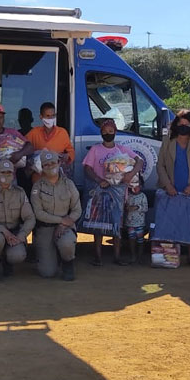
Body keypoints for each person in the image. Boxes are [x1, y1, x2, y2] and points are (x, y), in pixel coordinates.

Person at [83, 118, 143, 265]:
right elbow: (87, 168)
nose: (108, 134)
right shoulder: (95, 149)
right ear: (101, 133)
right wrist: (98, 180)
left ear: (115, 132)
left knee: (117, 223)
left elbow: (139, 161)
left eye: (110, 131)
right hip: (101, 191)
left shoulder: (121, 149)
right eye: (105, 132)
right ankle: (98, 256)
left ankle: (117, 256)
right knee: (99, 224)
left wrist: (130, 174)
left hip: (118, 192)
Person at [156, 109, 190, 268]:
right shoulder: (167, 141)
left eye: (187, 125)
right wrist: (167, 185)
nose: (184, 127)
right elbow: (160, 165)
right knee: (172, 224)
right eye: (181, 124)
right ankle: (172, 257)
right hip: (171, 191)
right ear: (175, 125)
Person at [30, 151, 81, 281]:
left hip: (66, 228)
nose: (50, 166)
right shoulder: (37, 187)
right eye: (46, 164)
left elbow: (77, 210)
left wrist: (64, 224)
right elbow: (38, 213)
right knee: (47, 272)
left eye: (53, 163)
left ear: (59, 163)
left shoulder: (69, 184)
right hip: (45, 229)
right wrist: (61, 220)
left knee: (66, 243)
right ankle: (51, 258)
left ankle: (68, 264)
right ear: (42, 167)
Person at [125, 174, 148, 264]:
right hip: (130, 223)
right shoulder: (128, 196)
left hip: (140, 223)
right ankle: (133, 255)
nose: (134, 188)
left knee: (140, 240)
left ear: (141, 186)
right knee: (131, 239)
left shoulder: (143, 196)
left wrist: (137, 207)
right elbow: (125, 206)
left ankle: (140, 256)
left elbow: (145, 208)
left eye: (137, 185)